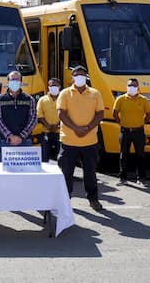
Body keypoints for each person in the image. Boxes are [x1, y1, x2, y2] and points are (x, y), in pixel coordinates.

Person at [57, 66, 105, 211]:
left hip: (89, 141)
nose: (80, 77)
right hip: (68, 141)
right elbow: (61, 114)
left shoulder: (95, 93)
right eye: (77, 75)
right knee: (66, 173)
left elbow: (100, 114)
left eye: (83, 75)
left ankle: (93, 199)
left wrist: (88, 128)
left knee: (90, 172)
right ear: (72, 77)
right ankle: (65, 200)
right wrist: (76, 128)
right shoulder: (65, 93)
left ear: (87, 77)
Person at [113, 78, 150, 184]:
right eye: (130, 85)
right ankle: (123, 178)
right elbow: (115, 113)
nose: (132, 88)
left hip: (139, 131)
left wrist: (142, 122)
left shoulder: (143, 100)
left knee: (140, 155)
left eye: (134, 86)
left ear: (138, 88)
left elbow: (149, 114)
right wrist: (120, 123)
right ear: (126, 87)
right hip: (125, 131)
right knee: (123, 155)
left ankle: (141, 178)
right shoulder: (120, 99)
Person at [0, 71, 36, 155]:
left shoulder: (29, 99)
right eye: (12, 79)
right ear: (8, 81)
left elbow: (33, 119)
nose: (15, 81)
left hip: (25, 141)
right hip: (5, 140)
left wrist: (21, 136)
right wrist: (10, 136)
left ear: (21, 82)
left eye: (17, 79)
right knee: (5, 168)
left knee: (26, 167)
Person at [37, 78, 62, 162]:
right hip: (46, 131)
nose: (53, 87)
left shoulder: (64, 99)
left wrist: (58, 125)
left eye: (55, 85)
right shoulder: (42, 100)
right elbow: (39, 115)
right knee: (45, 155)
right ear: (48, 87)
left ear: (60, 87)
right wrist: (48, 126)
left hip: (60, 132)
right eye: (51, 85)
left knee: (61, 155)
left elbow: (67, 114)